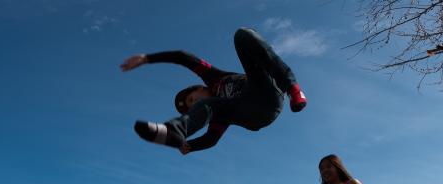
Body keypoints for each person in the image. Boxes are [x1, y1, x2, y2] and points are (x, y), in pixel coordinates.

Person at [120, 28, 307, 155]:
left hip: (266, 91)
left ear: (199, 87)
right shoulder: (216, 113)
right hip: (254, 115)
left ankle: (293, 88)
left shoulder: (212, 77)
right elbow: (211, 139)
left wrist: (147, 58)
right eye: (193, 106)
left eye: (193, 99)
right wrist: (191, 146)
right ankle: (174, 131)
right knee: (214, 108)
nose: (195, 104)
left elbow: (183, 57)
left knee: (242, 35)